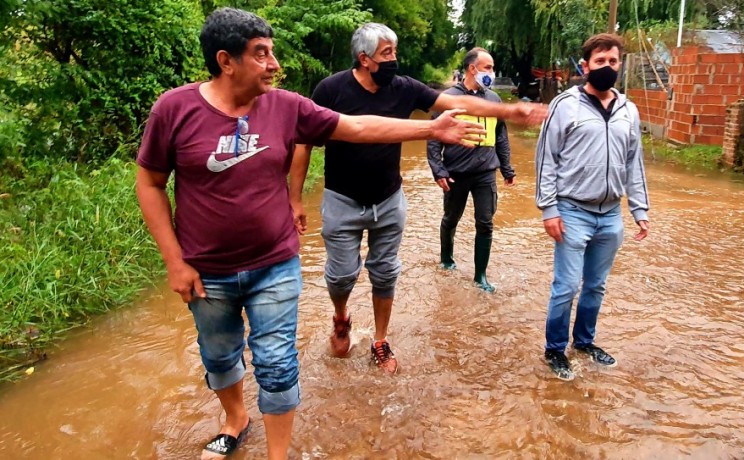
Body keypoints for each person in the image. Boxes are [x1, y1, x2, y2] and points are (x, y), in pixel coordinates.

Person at [135, 8, 484, 460]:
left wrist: (431, 128)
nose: (274, 64)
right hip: (206, 271)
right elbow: (150, 183)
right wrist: (174, 262)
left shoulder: (286, 106)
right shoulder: (174, 109)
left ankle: (277, 455)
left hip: (275, 263)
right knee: (220, 357)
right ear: (226, 61)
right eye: (262, 54)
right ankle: (236, 418)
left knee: (277, 364)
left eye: (273, 52)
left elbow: (356, 126)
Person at [290, 23, 545, 375]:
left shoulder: (403, 88)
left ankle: (380, 340)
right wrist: (295, 199)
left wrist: (509, 111)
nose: (394, 59)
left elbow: (454, 100)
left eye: (394, 51)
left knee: (385, 272)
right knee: (341, 275)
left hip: (389, 197)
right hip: (341, 199)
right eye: (386, 54)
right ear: (364, 59)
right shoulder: (330, 90)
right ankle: (341, 316)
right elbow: (303, 142)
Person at [534, 33, 650, 381]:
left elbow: (634, 163)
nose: (607, 67)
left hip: (611, 214)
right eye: (600, 62)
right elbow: (546, 159)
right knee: (567, 285)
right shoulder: (564, 105)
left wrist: (640, 210)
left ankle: (584, 342)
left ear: (620, 64)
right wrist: (549, 209)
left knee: (596, 285)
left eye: (612, 61)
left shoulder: (629, 111)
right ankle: (555, 349)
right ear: (585, 66)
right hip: (572, 210)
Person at [427, 47, 516, 293]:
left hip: (486, 171)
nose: (491, 72)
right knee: (451, 218)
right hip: (456, 171)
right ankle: (446, 259)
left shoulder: (494, 100)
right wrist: (438, 170)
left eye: (492, 68)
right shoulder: (448, 99)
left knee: (485, 223)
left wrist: (507, 169)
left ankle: (480, 276)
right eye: (487, 67)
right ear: (472, 69)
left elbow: (501, 137)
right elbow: (433, 137)